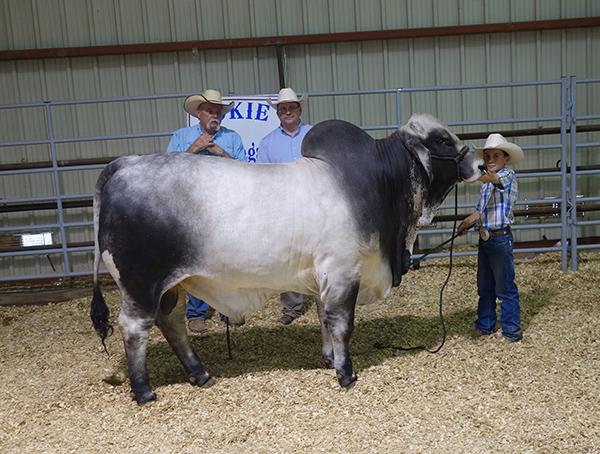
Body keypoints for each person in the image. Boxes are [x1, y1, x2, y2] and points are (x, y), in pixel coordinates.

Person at [167, 88, 246, 333]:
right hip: (193, 205)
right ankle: (197, 312)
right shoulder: (181, 136)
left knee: (228, 258)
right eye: (210, 110)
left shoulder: (231, 137)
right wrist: (194, 148)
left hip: (225, 205)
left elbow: (245, 170)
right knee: (197, 259)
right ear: (198, 114)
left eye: (217, 111)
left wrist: (220, 152)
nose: (214, 114)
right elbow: (168, 168)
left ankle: (229, 308)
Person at [458, 133, 524, 342]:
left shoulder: (506, 176)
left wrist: (468, 172)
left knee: (505, 287)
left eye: (496, 155)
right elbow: (481, 211)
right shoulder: (487, 184)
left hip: (500, 238)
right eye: (487, 156)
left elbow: (494, 179)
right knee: (484, 285)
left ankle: (511, 331)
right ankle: (485, 325)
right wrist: (467, 223)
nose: (491, 160)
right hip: (487, 239)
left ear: (506, 159)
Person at [256, 87, 313, 325]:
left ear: (299, 110)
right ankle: (292, 306)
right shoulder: (267, 143)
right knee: (289, 254)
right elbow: (261, 176)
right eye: (282, 109)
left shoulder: (314, 135)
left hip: (314, 201)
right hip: (284, 206)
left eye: (291, 107)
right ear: (278, 113)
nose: (287, 112)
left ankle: (323, 296)